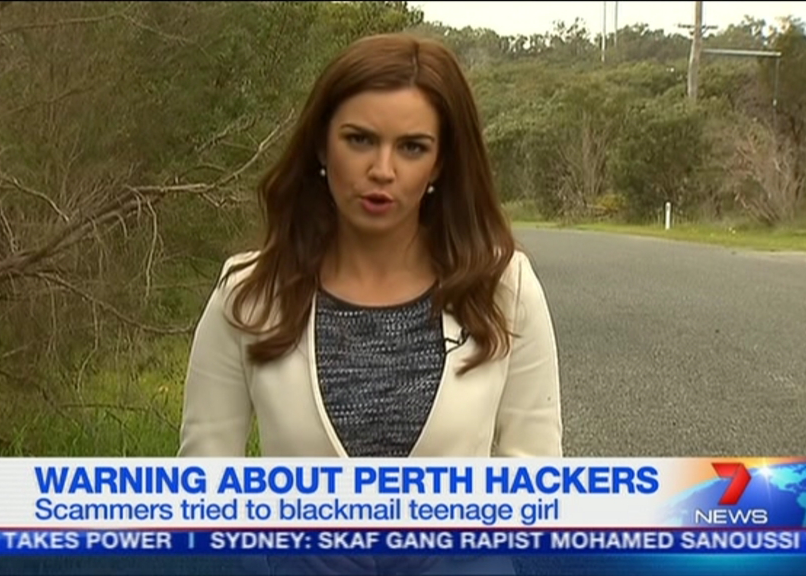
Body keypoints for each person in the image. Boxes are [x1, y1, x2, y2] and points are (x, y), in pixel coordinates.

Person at [179, 32, 562, 575]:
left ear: (441, 162)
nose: (382, 169)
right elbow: (202, 492)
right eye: (359, 140)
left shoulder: (504, 288)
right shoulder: (248, 294)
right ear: (321, 145)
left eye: (412, 147)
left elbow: (538, 483)